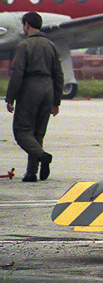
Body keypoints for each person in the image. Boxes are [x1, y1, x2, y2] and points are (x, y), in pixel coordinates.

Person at [5, 12, 63, 181]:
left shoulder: (24, 45)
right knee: (38, 132)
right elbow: (58, 74)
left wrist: (10, 98)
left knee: (22, 131)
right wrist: (56, 101)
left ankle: (42, 156)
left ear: (27, 25)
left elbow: (17, 74)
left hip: (31, 89)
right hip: (48, 89)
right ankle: (32, 172)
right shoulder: (51, 45)